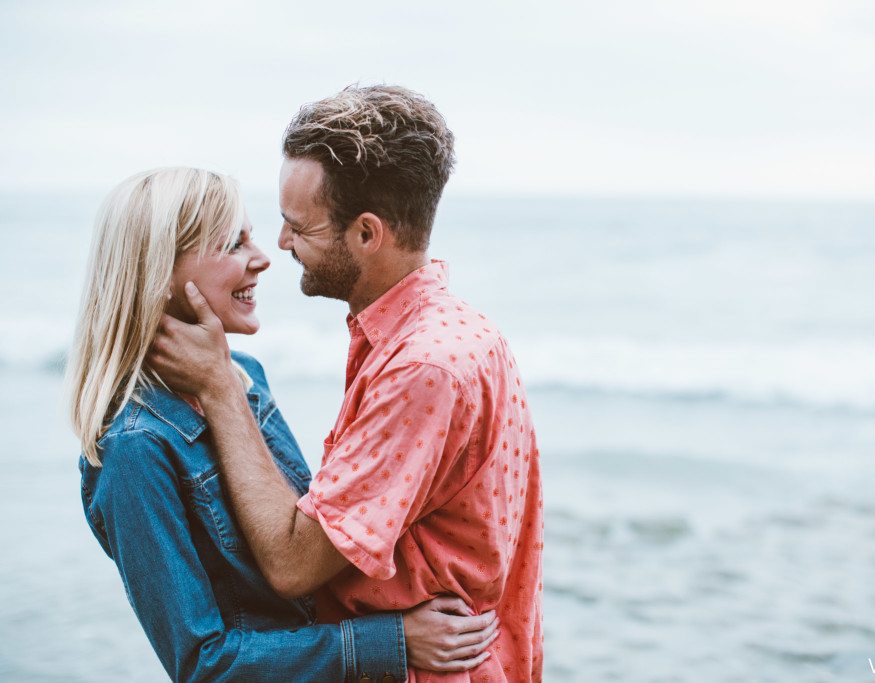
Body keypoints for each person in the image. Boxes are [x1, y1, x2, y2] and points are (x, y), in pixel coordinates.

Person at [149, 85, 544, 681]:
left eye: (297, 227)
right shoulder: (460, 332)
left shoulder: (420, 369)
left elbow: (291, 563)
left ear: (366, 233)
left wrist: (219, 388)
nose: (280, 246)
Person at [66, 167, 499, 682]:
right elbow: (203, 665)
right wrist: (393, 640)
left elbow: (301, 534)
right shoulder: (134, 449)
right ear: (159, 272)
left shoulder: (243, 376)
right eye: (232, 243)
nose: (263, 257)